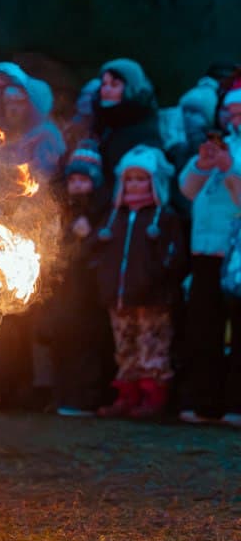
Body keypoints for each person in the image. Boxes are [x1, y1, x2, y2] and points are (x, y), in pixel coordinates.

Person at [92, 145, 187, 418]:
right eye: (129, 179)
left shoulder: (164, 218)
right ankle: (128, 395)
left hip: (152, 298)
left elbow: (174, 257)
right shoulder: (114, 217)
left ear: (155, 181)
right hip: (119, 296)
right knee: (125, 347)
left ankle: (153, 396)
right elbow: (96, 252)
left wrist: (156, 280)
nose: (134, 185)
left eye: (141, 179)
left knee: (152, 347)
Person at [177, 87, 241, 425]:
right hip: (204, 250)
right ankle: (204, 401)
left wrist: (230, 169)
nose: (234, 119)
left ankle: (236, 404)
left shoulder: (232, 154)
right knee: (203, 328)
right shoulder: (222, 146)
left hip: (236, 253)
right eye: (231, 113)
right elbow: (187, 190)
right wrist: (203, 164)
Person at [49, 142, 111, 416]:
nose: (76, 185)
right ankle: (63, 395)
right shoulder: (63, 211)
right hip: (65, 289)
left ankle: (85, 397)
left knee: (87, 341)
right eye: (72, 179)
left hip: (90, 290)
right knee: (63, 339)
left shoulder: (102, 211)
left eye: (83, 180)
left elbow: (102, 246)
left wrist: (88, 238)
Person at [94, 58, 162, 184]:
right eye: (104, 84)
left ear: (131, 88)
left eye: (114, 85)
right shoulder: (105, 122)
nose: (106, 89)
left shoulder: (145, 131)